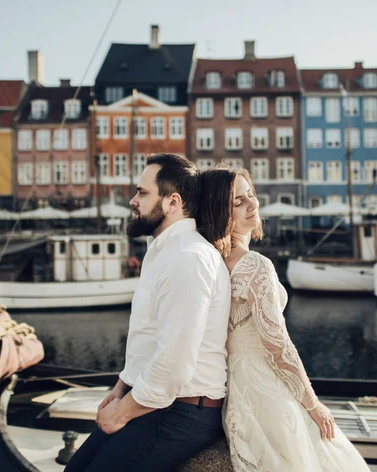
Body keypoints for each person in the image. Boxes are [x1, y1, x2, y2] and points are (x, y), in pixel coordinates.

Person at [65, 154, 231, 471]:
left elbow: (174, 363)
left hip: (183, 412)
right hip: (158, 402)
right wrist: (121, 387)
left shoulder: (187, 257)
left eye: (142, 193)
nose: (133, 201)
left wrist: (123, 411)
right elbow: (148, 338)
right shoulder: (163, 251)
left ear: (173, 202)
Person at [198, 166, 370, 472]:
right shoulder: (255, 266)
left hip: (237, 391)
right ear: (220, 213)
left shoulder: (214, 261)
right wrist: (313, 404)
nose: (252, 204)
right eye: (238, 202)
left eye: (250, 194)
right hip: (266, 386)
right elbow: (277, 346)